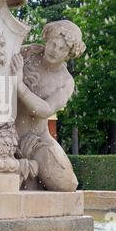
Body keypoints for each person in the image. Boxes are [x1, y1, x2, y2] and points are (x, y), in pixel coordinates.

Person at [11, 20, 86, 192]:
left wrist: (20, 87)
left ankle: (34, 168)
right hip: (6, 134)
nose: (54, 50)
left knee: (67, 184)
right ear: (47, 39)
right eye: (53, 44)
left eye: (62, 49)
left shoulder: (66, 81)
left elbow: (45, 110)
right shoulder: (26, 54)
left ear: (69, 53)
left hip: (37, 141)